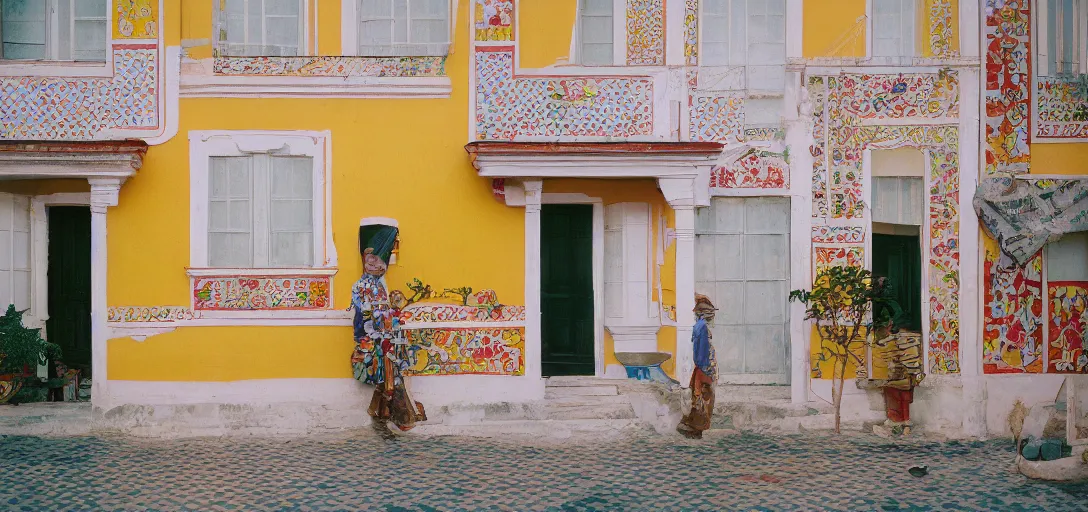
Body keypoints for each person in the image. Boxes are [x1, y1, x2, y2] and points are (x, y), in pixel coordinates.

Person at [350, 221, 426, 433]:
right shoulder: (362, 286)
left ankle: (385, 415)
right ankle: (400, 418)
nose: (377, 264)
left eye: (381, 259)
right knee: (389, 378)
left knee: (390, 378)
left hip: (386, 338)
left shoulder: (380, 284)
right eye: (371, 259)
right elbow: (364, 314)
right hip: (373, 338)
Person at [677, 294, 718, 439]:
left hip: (702, 368)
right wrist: (706, 370)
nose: (713, 316)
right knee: (703, 399)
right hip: (704, 369)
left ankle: (692, 428)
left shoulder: (699, 327)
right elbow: (701, 352)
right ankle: (693, 429)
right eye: (710, 313)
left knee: (700, 398)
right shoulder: (702, 328)